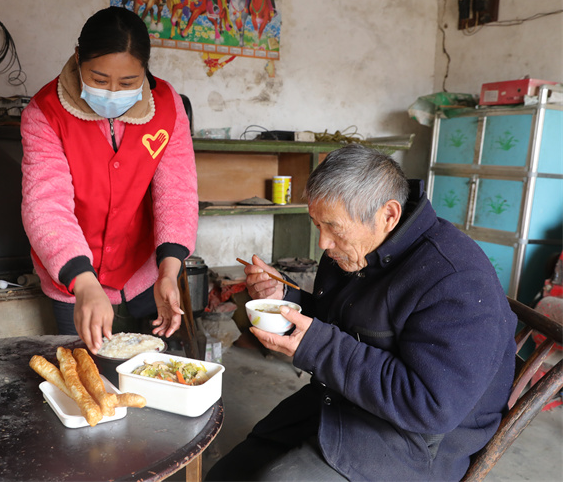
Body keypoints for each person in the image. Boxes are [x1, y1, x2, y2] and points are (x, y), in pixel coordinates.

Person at [206, 144, 516, 481]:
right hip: (345, 398)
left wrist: (318, 346)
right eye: (317, 224)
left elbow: (430, 406)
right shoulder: (355, 250)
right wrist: (284, 298)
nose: (323, 243)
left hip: (417, 443)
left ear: (388, 215)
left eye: (334, 227)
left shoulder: (455, 279)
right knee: (227, 474)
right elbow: (340, 319)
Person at [20, 7, 198, 355]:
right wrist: (84, 282)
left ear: (145, 70)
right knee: (86, 373)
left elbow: (177, 193)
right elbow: (46, 205)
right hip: (74, 277)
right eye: (100, 80)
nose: (113, 92)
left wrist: (168, 270)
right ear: (78, 58)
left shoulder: (167, 106)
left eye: (128, 83)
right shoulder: (45, 112)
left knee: (153, 373)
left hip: (145, 273)